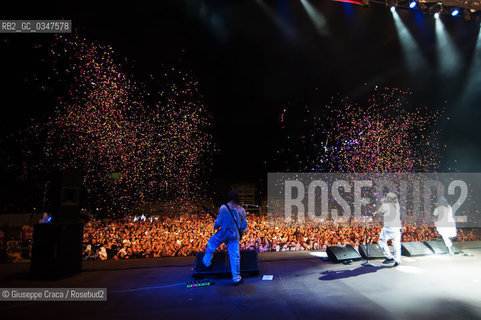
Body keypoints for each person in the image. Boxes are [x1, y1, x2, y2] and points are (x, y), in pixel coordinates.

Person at [203, 190, 248, 285]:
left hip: (223, 233)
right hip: (234, 234)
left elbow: (218, 221)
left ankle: (206, 262)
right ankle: (236, 278)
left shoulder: (224, 207)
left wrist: (216, 226)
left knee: (211, 243)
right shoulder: (242, 210)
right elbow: (244, 225)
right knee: (235, 256)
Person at [374, 192, 402, 267]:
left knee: (381, 241)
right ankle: (397, 260)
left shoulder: (386, 205)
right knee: (396, 244)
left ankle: (389, 257)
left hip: (389, 228)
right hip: (397, 227)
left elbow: (380, 212)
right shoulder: (397, 205)